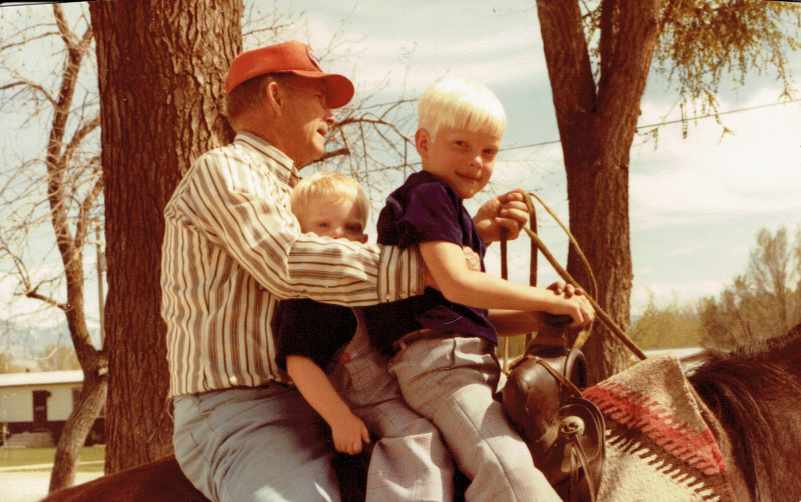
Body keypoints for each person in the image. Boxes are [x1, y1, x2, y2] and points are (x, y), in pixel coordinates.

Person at [162, 41, 531, 502]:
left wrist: (470, 236)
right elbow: (286, 261)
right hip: (244, 408)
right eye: (321, 98)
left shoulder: (298, 194)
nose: (332, 115)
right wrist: (428, 268)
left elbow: (356, 280)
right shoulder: (224, 170)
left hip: (327, 397)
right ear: (276, 96)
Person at [361, 77, 596, 502]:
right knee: (508, 470)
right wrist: (544, 297)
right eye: (461, 145)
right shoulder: (427, 194)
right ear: (423, 142)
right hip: (441, 369)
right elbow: (458, 284)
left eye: (489, 152)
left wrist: (547, 314)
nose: (476, 161)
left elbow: (471, 315)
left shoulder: (448, 210)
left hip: (461, 360)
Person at [273, 172, 454, 501]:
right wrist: (339, 417)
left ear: (365, 239)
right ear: (298, 234)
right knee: (415, 437)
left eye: (352, 227)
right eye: (323, 225)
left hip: (396, 388)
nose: (338, 235)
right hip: (363, 402)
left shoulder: (371, 286)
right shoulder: (308, 296)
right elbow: (300, 363)